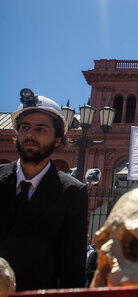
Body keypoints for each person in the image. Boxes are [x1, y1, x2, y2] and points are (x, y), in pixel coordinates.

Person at [0, 88, 88, 291]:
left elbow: (72, 268)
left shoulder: (72, 192)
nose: (30, 134)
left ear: (58, 139)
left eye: (41, 129)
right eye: (25, 127)